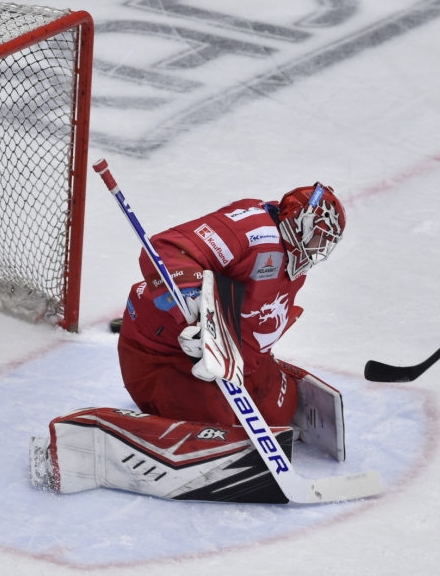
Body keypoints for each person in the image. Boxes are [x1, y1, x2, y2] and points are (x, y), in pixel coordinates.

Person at [29, 183, 349, 501]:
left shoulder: (295, 260)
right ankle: (92, 445)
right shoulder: (252, 232)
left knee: (278, 414)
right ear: (296, 220)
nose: (319, 247)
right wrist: (197, 309)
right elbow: (165, 251)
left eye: (327, 241)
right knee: (221, 432)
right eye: (318, 234)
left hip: (233, 362)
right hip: (161, 354)